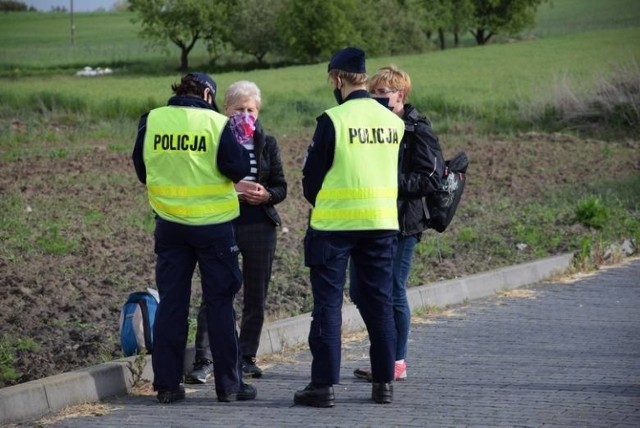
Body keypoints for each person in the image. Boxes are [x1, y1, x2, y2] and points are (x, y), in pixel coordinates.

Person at [132, 72, 257, 404]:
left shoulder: (153, 120)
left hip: (170, 225)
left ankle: (168, 386)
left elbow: (142, 169)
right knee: (219, 304)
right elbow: (238, 168)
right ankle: (230, 386)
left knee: (173, 305)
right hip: (214, 227)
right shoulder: (216, 123)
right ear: (206, 93)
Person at [293, 47, 405, 408]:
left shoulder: (333, 119)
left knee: (327, 306)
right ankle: (384, 383)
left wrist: (325, 202)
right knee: (380, 303)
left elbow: (311, 178)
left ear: (337, 79)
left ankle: (323, 387)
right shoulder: (393, 122)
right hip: (381, 224)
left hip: (334, 226)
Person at [185, 80, 287, 384]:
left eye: (251, 109)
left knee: (256, 293)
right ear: (226, 110)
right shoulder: (215, 137)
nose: (245, 114)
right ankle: (204, 358)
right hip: (223, 220)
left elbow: (281, 186)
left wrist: (266, 195)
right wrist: (232, 189)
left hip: (259, 223)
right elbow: (203, 179)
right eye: (239, 109)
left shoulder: (267, 142)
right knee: (216, 290)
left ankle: (246, 357)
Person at [350, 65, 444, 383]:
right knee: (361, 291)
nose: (375, 99)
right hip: (372, 218)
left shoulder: (418, 129)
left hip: (404, 222)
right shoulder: (375, 126)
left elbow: (430, 177)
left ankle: (396, 361)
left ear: (399, 95)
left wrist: (390, 182)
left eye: (382, 94)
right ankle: (383, 353)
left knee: (392, 290)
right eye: (373, 92)